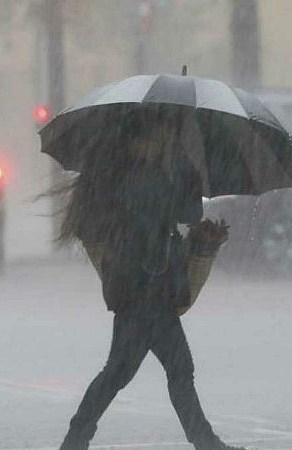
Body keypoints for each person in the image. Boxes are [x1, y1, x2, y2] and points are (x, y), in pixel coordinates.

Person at [55, 118, 241, 450]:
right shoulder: (141, 177)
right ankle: (76, 438)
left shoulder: (138, 174)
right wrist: (183, 166)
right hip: (143, 293)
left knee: (155, 372)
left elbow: (185, 213)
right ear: (139, 141)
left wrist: (181, 165)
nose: (161, 142)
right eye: (159, 137)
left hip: (150, 292)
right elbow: (183, 211)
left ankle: (77, 438)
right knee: (127, 373)